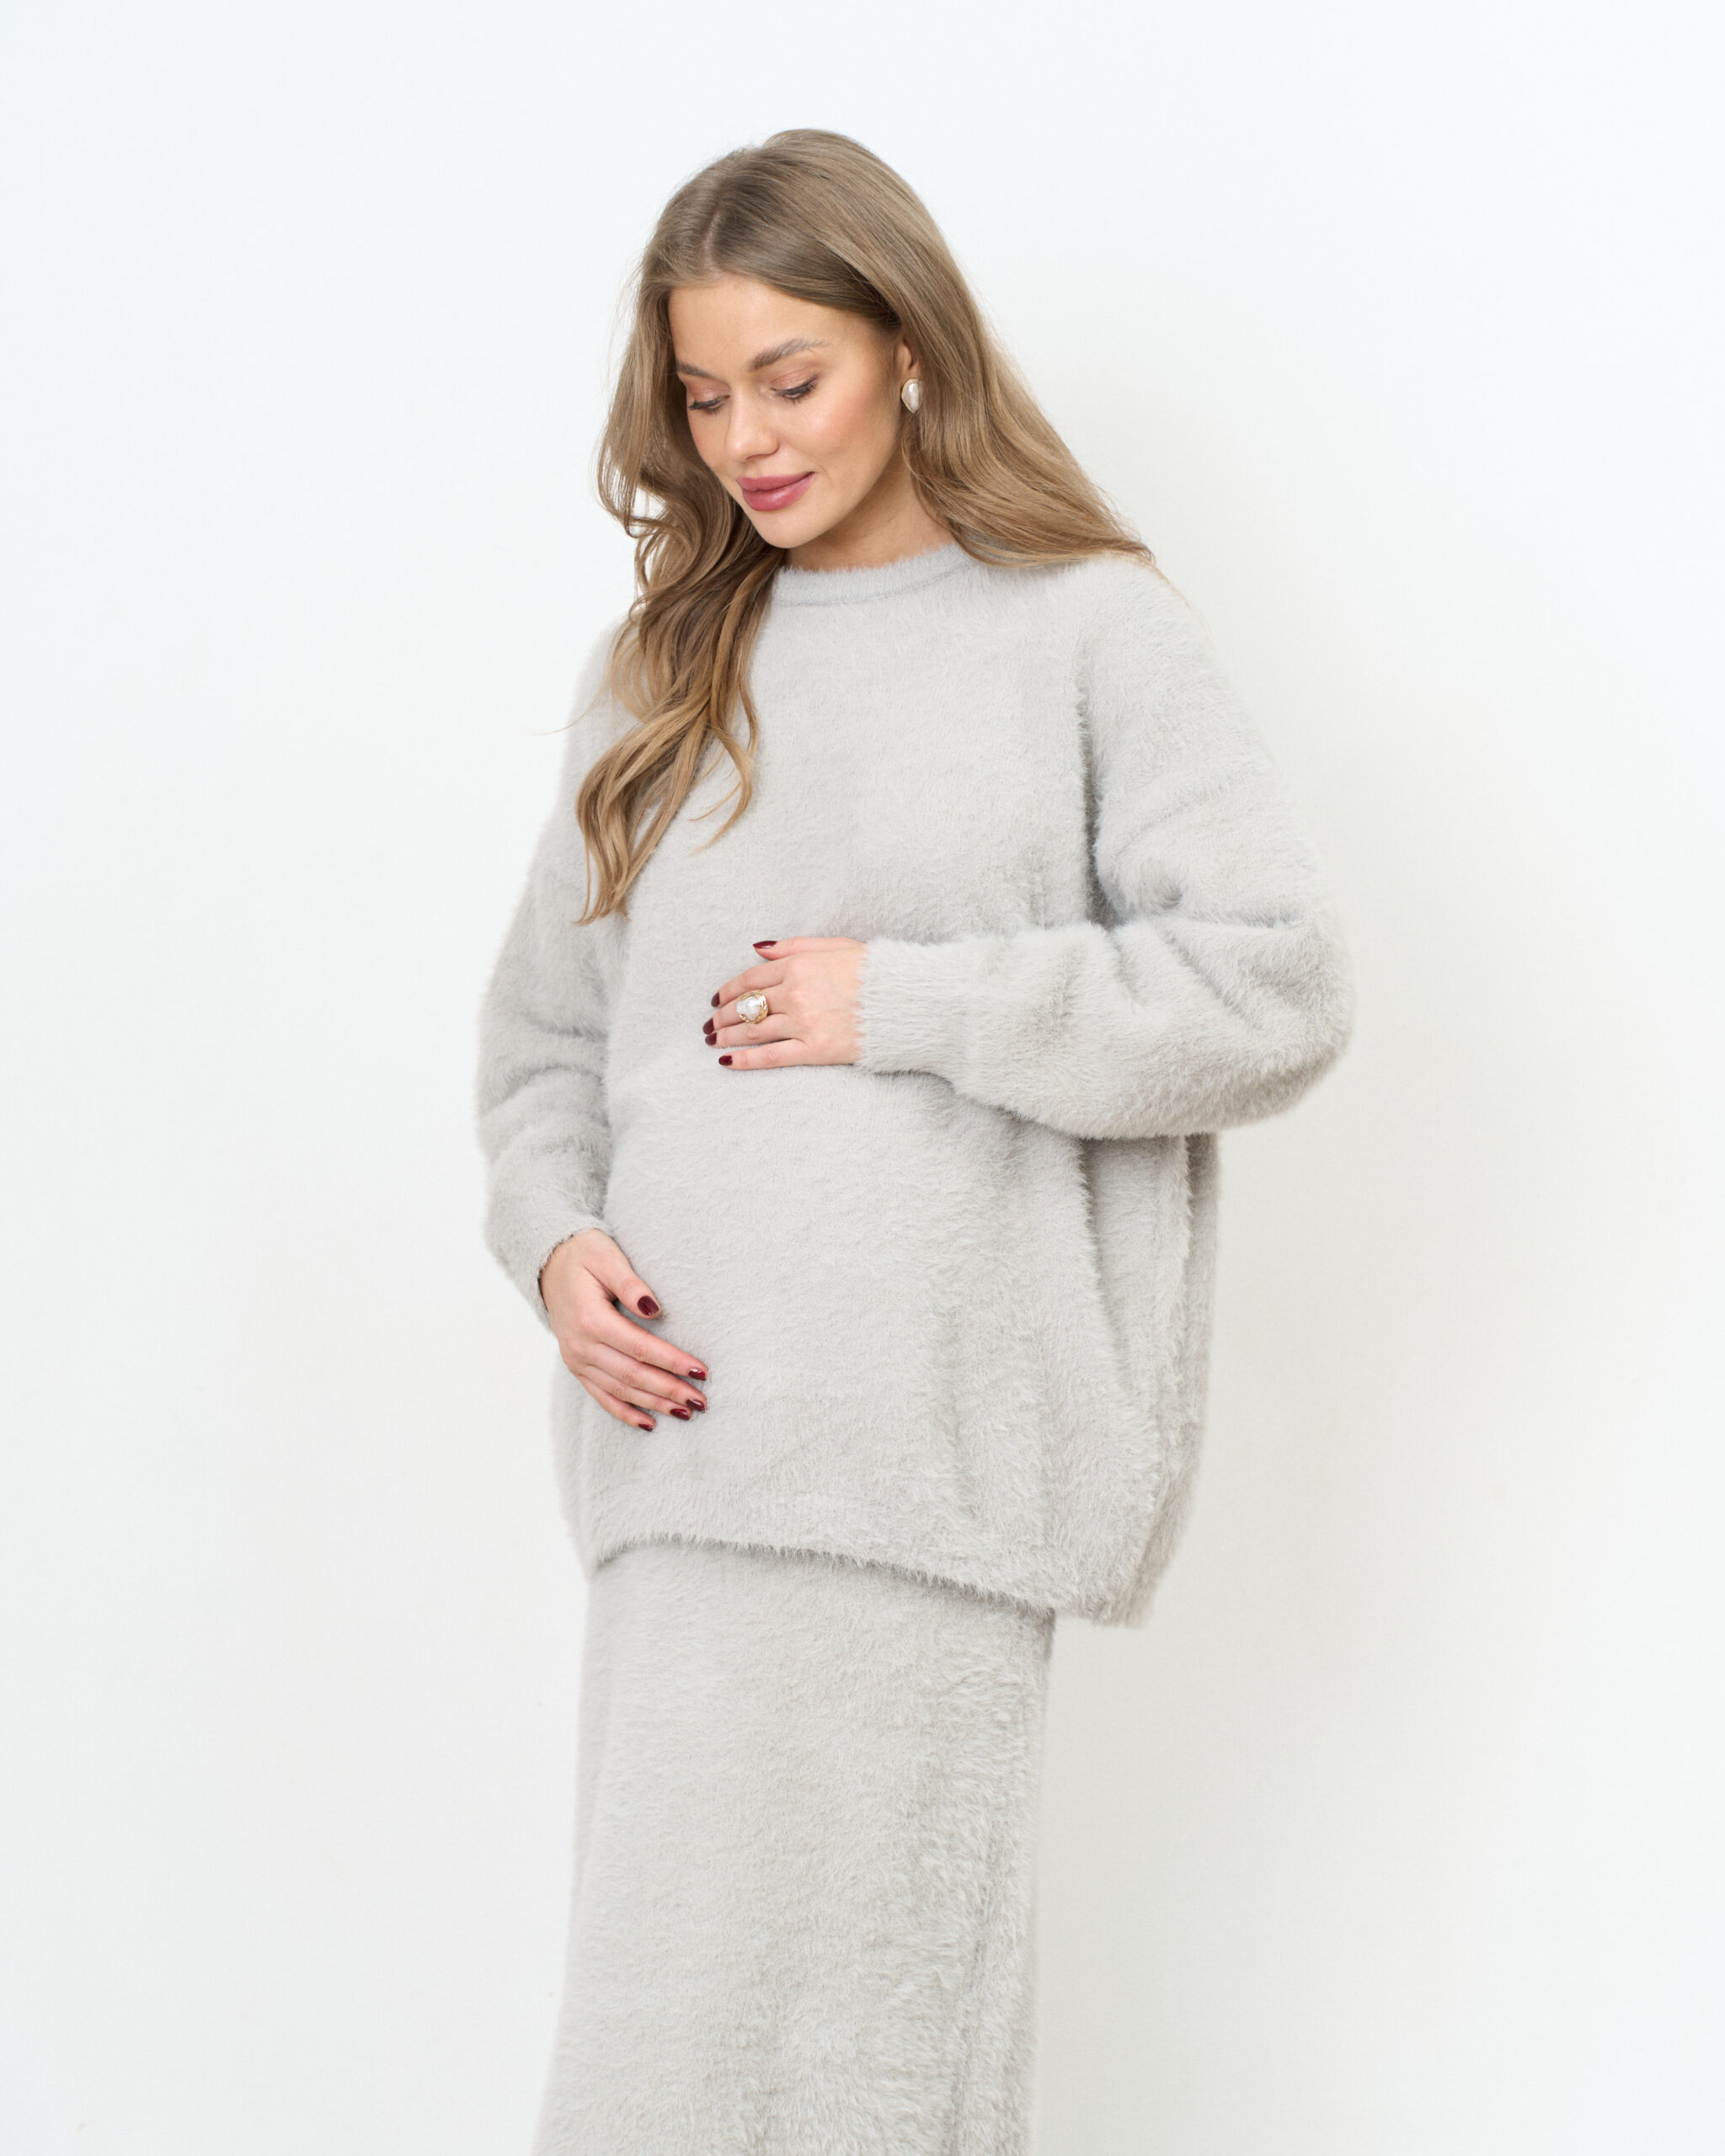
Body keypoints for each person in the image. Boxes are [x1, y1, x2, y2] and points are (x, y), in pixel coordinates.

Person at [477, 127, 1350, 2156]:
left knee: (877, 2074)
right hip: (687, 1469)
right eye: (705, 396)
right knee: (652, 2070)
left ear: (910, 348)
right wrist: (552, 1241)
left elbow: (1276, 983)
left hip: (929, 1470)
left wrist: (912, 1002)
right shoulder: (661, 669)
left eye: (789, 379)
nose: (747, 442)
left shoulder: (1086, 631)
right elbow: (543, 1040)